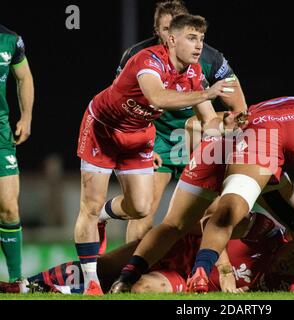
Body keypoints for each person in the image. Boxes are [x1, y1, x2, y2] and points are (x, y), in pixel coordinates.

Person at [74, 13, 241, 295]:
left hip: (138, 134)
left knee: (139, 208)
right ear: (172, 40)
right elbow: (157, 98)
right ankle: (91, 281)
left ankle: (103, 215)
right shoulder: (147, 60)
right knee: (89, 204)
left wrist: (226, 125)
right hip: (103, 128)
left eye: (201, 38)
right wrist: (206, 94)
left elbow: (209, 123)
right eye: (191, 38)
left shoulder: (194, 74)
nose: (199, 45)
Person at [187, 96, 294, 293]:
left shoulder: (248, 114)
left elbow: (193, 125)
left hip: (260, 126)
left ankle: (200, 271)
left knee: (230, 209)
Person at [115, 0, 247, 243]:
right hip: (156, 137)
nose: (170, 39)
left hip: (194, 134)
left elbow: (238, 108)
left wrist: (226, 136)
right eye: (165, 30)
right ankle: (130, 272)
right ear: (157, 31)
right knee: (144, 209)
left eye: (177, 31)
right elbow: (121, 102)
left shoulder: (210, 59)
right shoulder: (138, 56)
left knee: (209, 209)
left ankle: (213, 269)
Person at [0, 212, 294, 294]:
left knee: (144, 288)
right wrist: (223, 264)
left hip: (184, 278)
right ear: (291, 241)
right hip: (178, 243)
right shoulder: (266, 231)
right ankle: (28, 285)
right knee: (106, 267)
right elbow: (211, 220)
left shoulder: (290, 285)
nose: (290, 264)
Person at [0, 25, 34, 282]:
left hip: (1, 134)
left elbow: (24, 77)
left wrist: (27, 117)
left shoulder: (11, 39)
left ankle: (16, 282)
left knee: (9, 207)